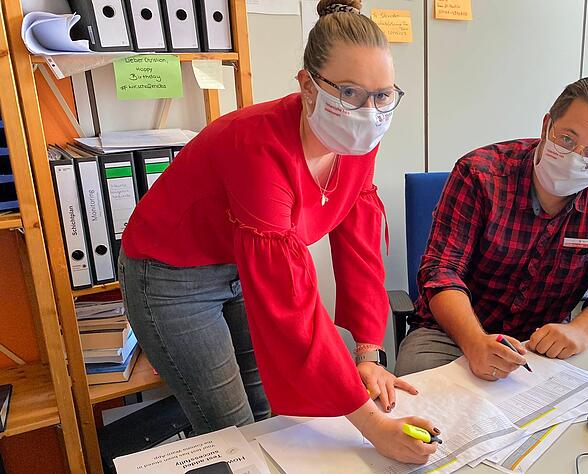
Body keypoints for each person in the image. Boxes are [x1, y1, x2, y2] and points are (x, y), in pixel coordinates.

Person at [118, 0, 438, 464]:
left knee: (270, 411)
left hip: (240, 260)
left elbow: (359, 239)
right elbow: (291, 305)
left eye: (383, 95)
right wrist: (373, 425)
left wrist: (368, 353)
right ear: (308, 86)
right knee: (232, 428)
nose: (370, 112)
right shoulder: (258, 149)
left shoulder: (359, 138)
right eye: (350, 93)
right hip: (171, 276)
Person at [395, 77, 588, 381]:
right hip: (452, 335)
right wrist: (476, 343)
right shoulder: (480, 174)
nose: (576, 155)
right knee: (420, 391)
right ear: (546, 126)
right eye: (567, 139)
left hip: (543, 342)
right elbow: (440, 271)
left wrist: (581, 331)